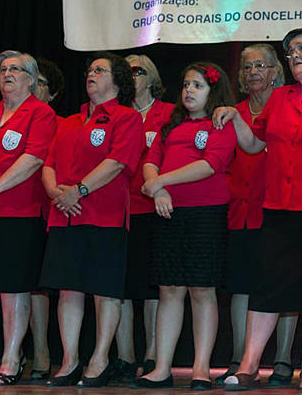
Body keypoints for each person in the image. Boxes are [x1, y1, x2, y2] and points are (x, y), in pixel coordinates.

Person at [221, 28, 302, 391]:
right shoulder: (279, 97)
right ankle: (248, 365)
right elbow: (253, 144)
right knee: (267, 284)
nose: (295, 55)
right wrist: (236, 118)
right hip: (277, 206)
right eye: (291, 51)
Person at [39, 52, 143, 387]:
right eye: (90, 69)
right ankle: (70, 361)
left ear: (118, 80)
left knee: (104, 290)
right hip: (65, 215)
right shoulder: (69, 121)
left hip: (104, 216)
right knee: (68, 290)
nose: (91, 74)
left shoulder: (127, 118)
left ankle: (99, 359)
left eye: (100, 70)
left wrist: (79, 190)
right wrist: (56, 192)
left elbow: (117, 162)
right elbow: (49, 163)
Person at [131, 62, 236, 390]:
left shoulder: (220, 124)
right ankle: (162, 368)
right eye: (187, 84)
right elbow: (150, 162)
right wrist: (158, 190)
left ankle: (201, 369)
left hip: (205, 213)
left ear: (213, 92)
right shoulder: (170, 125)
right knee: (169, 289)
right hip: (168, 213)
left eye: (198, 86)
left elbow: (210, 165)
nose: (189, 90)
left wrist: (160, 182)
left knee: (202, 289)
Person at [215, 43, 299, 387]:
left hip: (280, 207)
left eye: (260, 65)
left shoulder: (289, 106)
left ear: (276, 71)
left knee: (283, 284)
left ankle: (283, 359)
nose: (252, 72)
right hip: (241, 210)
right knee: (241, 286)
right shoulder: (231, 112)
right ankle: (239, 358)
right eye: (247, 67)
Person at [0, 51, 56, 385]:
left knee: (13, 290)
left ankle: (11, 360)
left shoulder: (40, 113)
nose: (7, 73)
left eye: (15, 68)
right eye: (2, 69)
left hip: (19, 212)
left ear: (31, 78)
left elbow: (34, 158)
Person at [108, 54, 173, 382]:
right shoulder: (113, 114)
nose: (132, 76)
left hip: (154, 209)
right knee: (119, 287)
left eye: (138, 70)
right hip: (117, 209)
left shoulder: (169, 113)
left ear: (152, 78)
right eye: (127, 71)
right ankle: (124, 356)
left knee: (152, 288)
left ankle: (152, 355)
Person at [29, 57, 66, 382]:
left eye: (40, 83)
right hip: (12, 207)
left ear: (52, 94)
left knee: (40, 284)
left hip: (50, 207)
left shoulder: (61, 123)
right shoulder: (5, 117)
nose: (33, 87)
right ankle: (26, 351)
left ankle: (43, 350)